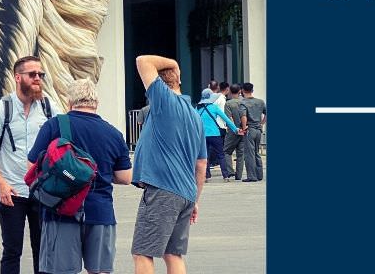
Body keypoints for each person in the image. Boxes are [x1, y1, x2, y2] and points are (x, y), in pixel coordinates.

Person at [27, 79, 132, 274]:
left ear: (69, 102)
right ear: (96, 103)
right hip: (101, 212)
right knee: (100, 271)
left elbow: (32, 165)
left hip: (61, 210)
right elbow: (125, 177)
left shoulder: (54, 125)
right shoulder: (113, 133)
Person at [130, 55, 205, 274]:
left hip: (163, 188)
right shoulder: (194, 115)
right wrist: (195, 200)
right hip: (186, 192)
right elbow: (201, 163)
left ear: (158, 85)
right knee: (173, 254)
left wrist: (173, 64)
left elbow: (142, 60)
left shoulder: (164, 101)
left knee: (142, 252)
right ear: (179, 81)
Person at [0, 56, 54, 274]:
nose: (38, 79)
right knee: (12, 251)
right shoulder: (1, 109)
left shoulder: (50, 108)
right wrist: (1, 184)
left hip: (43, 192)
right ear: (18, 77)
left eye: (41, 75)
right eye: (32, 75)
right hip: (11, 192)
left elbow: (63, 144)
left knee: (43, 251)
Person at [196, 89, 239, 182]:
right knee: (221, 155)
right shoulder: (214, 107)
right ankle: (225, 176)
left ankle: (206, 176)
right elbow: (226, 119)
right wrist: (235, 129)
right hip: (215, 134)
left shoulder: (197, 108)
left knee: (205, 155)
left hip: (202, 135)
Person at [237, 83, 267, 182]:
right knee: (256, 152)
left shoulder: (243, 103)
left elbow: (243, 116)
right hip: (258, 130)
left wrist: (244, 127)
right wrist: (261, 123)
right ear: (252, 90)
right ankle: (259, 175)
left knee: (249, 154)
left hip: (250, 130)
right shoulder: (260, 102)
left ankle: (251, 176)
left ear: (242, 90)